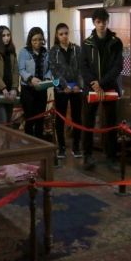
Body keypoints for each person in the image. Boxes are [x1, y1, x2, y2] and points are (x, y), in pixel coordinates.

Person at [80, 8, 123, 171]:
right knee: (88, 122)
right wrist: (94, 83)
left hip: (109, 87)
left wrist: (102, 84)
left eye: (104, 21)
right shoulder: (87, 43)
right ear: (94, 23)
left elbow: (117, 66)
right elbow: (83, 66)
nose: (101, 25)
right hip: (91, 88)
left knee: (111, 123)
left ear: (107, 22)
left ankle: (111, 156)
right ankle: (87, 155)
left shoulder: (116, 42)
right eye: (98, 22)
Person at [49, 23, 83, 159]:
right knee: (60, 118)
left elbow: (81, 69)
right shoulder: (53, 51)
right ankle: (61, 148)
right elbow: (54, 70)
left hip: (76, 89)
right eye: (61, 34)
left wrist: (79, 85)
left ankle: (76, 147)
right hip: (61, 89)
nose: (64, 36)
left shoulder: (77, 49)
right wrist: (64, 86)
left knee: (77, 118)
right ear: (57, 35)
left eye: (66, 33)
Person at [18, 27, 52, 139]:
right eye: (34, 40)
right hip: (28, 90)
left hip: (41, 89)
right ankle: (29, 142)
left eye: (40, 39)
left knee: (40, 118)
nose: (38, 42)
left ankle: (39, 141)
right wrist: (31, 78)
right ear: (30, 40)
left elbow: (50, 68)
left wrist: (47, 78)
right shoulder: (24, 52)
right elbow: (21, 69)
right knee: (30, 118)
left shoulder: (46, 52)